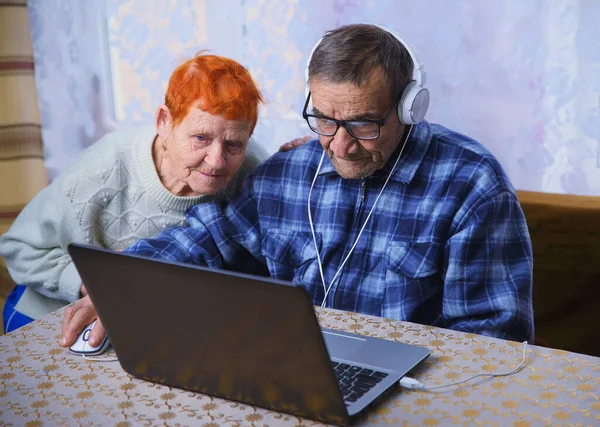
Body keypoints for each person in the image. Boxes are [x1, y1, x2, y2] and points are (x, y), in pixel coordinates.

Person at [61, 24, 534, 348]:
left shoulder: (473, 188)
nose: (340, 146)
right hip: (291, 369)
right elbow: (200, 239)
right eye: (325, 120)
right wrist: (122, 282)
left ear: (411, 108)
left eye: (364, 124)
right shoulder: (286, 174)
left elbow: (491, 341)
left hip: (414, 391)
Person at [0, 53, 308, 334]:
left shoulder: (248, 166)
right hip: (51, 311)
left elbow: (270, 233)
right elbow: (19, 247)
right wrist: (92, 282)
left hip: (146, 317)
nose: (216, 161)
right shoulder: (106, 166)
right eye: (201, 138)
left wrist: (291, 165)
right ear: (164, 122)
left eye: (234, 144)